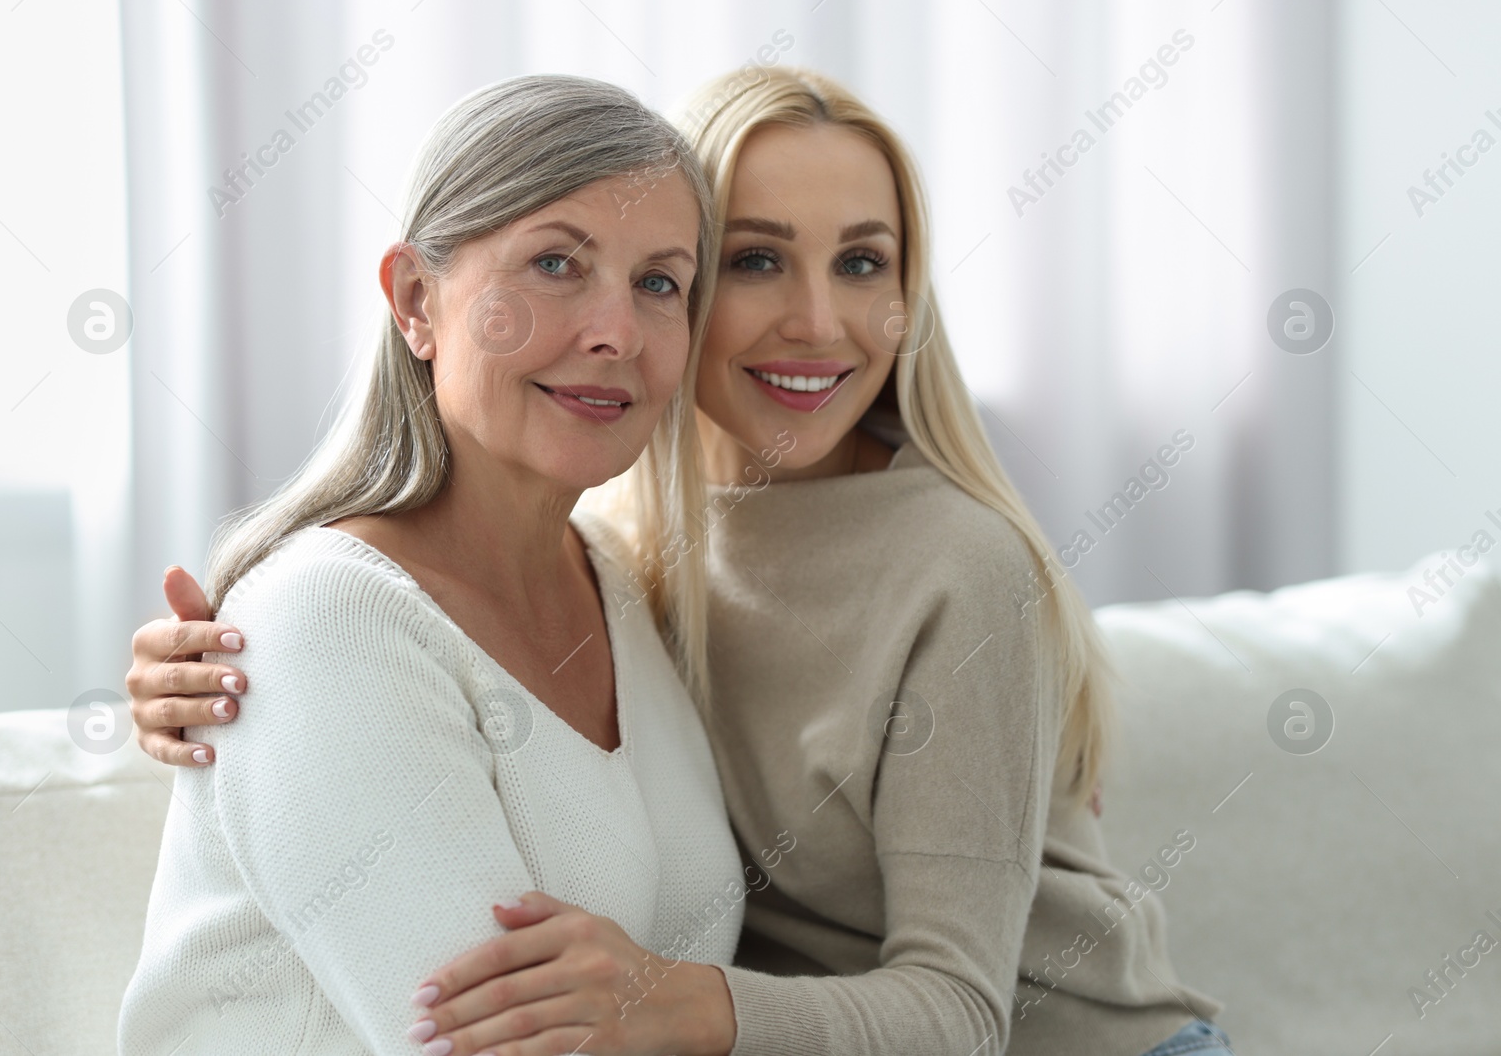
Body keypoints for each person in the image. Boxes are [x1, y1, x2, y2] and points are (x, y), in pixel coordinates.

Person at [126, 69, 1235, 1056]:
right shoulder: (622, 558)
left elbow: (952, 1013)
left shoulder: (927, 562)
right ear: (417, 300)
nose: (815, 317)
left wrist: (683, 1002)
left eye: (657, 278)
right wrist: (223, 670)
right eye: (755, 259)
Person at [118, 74, 747, 1056]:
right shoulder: (321, 621)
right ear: (417, 299)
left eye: (658, 282)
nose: (615, 332)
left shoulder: (620, 584)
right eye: (554, 262)